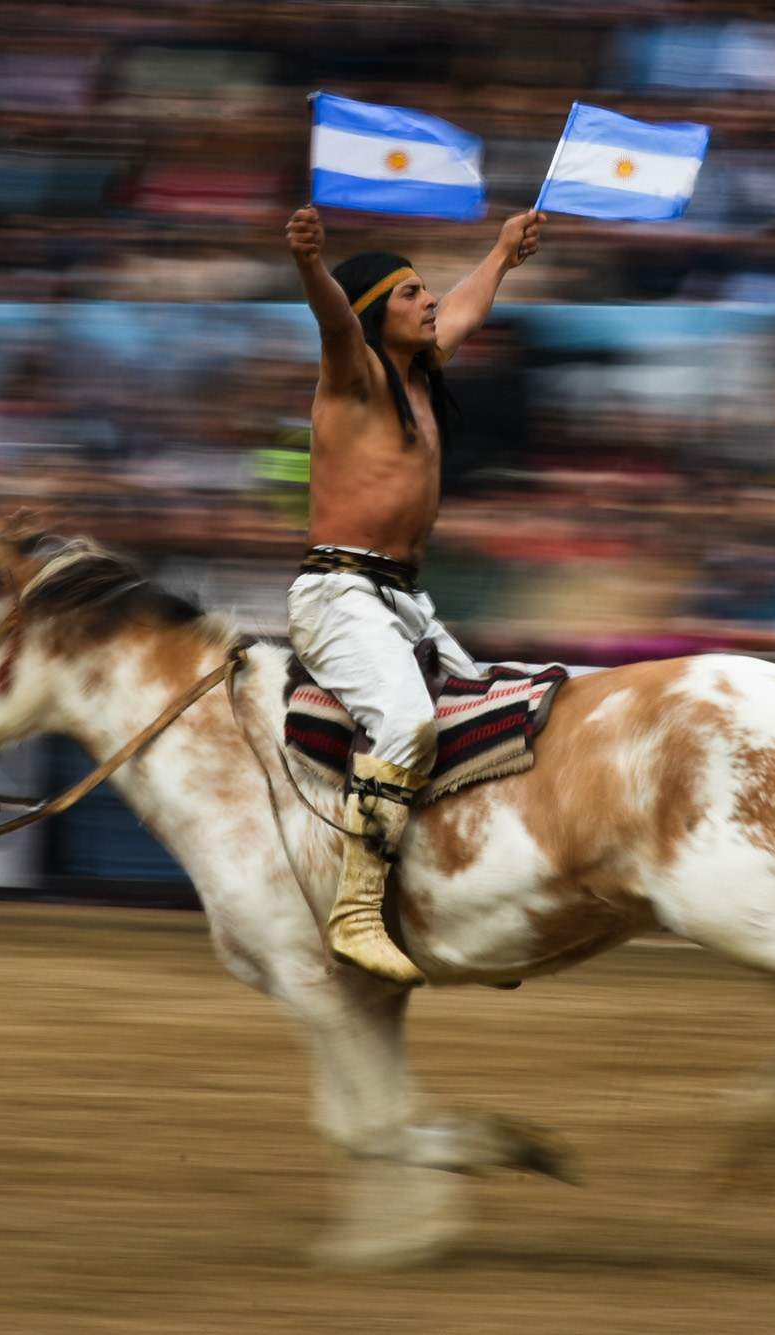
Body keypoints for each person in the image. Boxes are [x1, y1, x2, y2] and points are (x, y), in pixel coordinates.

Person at [283, 203, 543, 986]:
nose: (430, 301)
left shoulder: (423, 372)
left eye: (426, 290)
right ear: (372, 315)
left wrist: (501, 254)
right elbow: (333, 317)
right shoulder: (354, 374)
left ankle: (465, 906)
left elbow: (464, 305)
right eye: (409, 293)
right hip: (338, 594)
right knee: (406, 721)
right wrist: (309, 265)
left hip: (403, 602)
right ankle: (356, 912)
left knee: (496, 729)